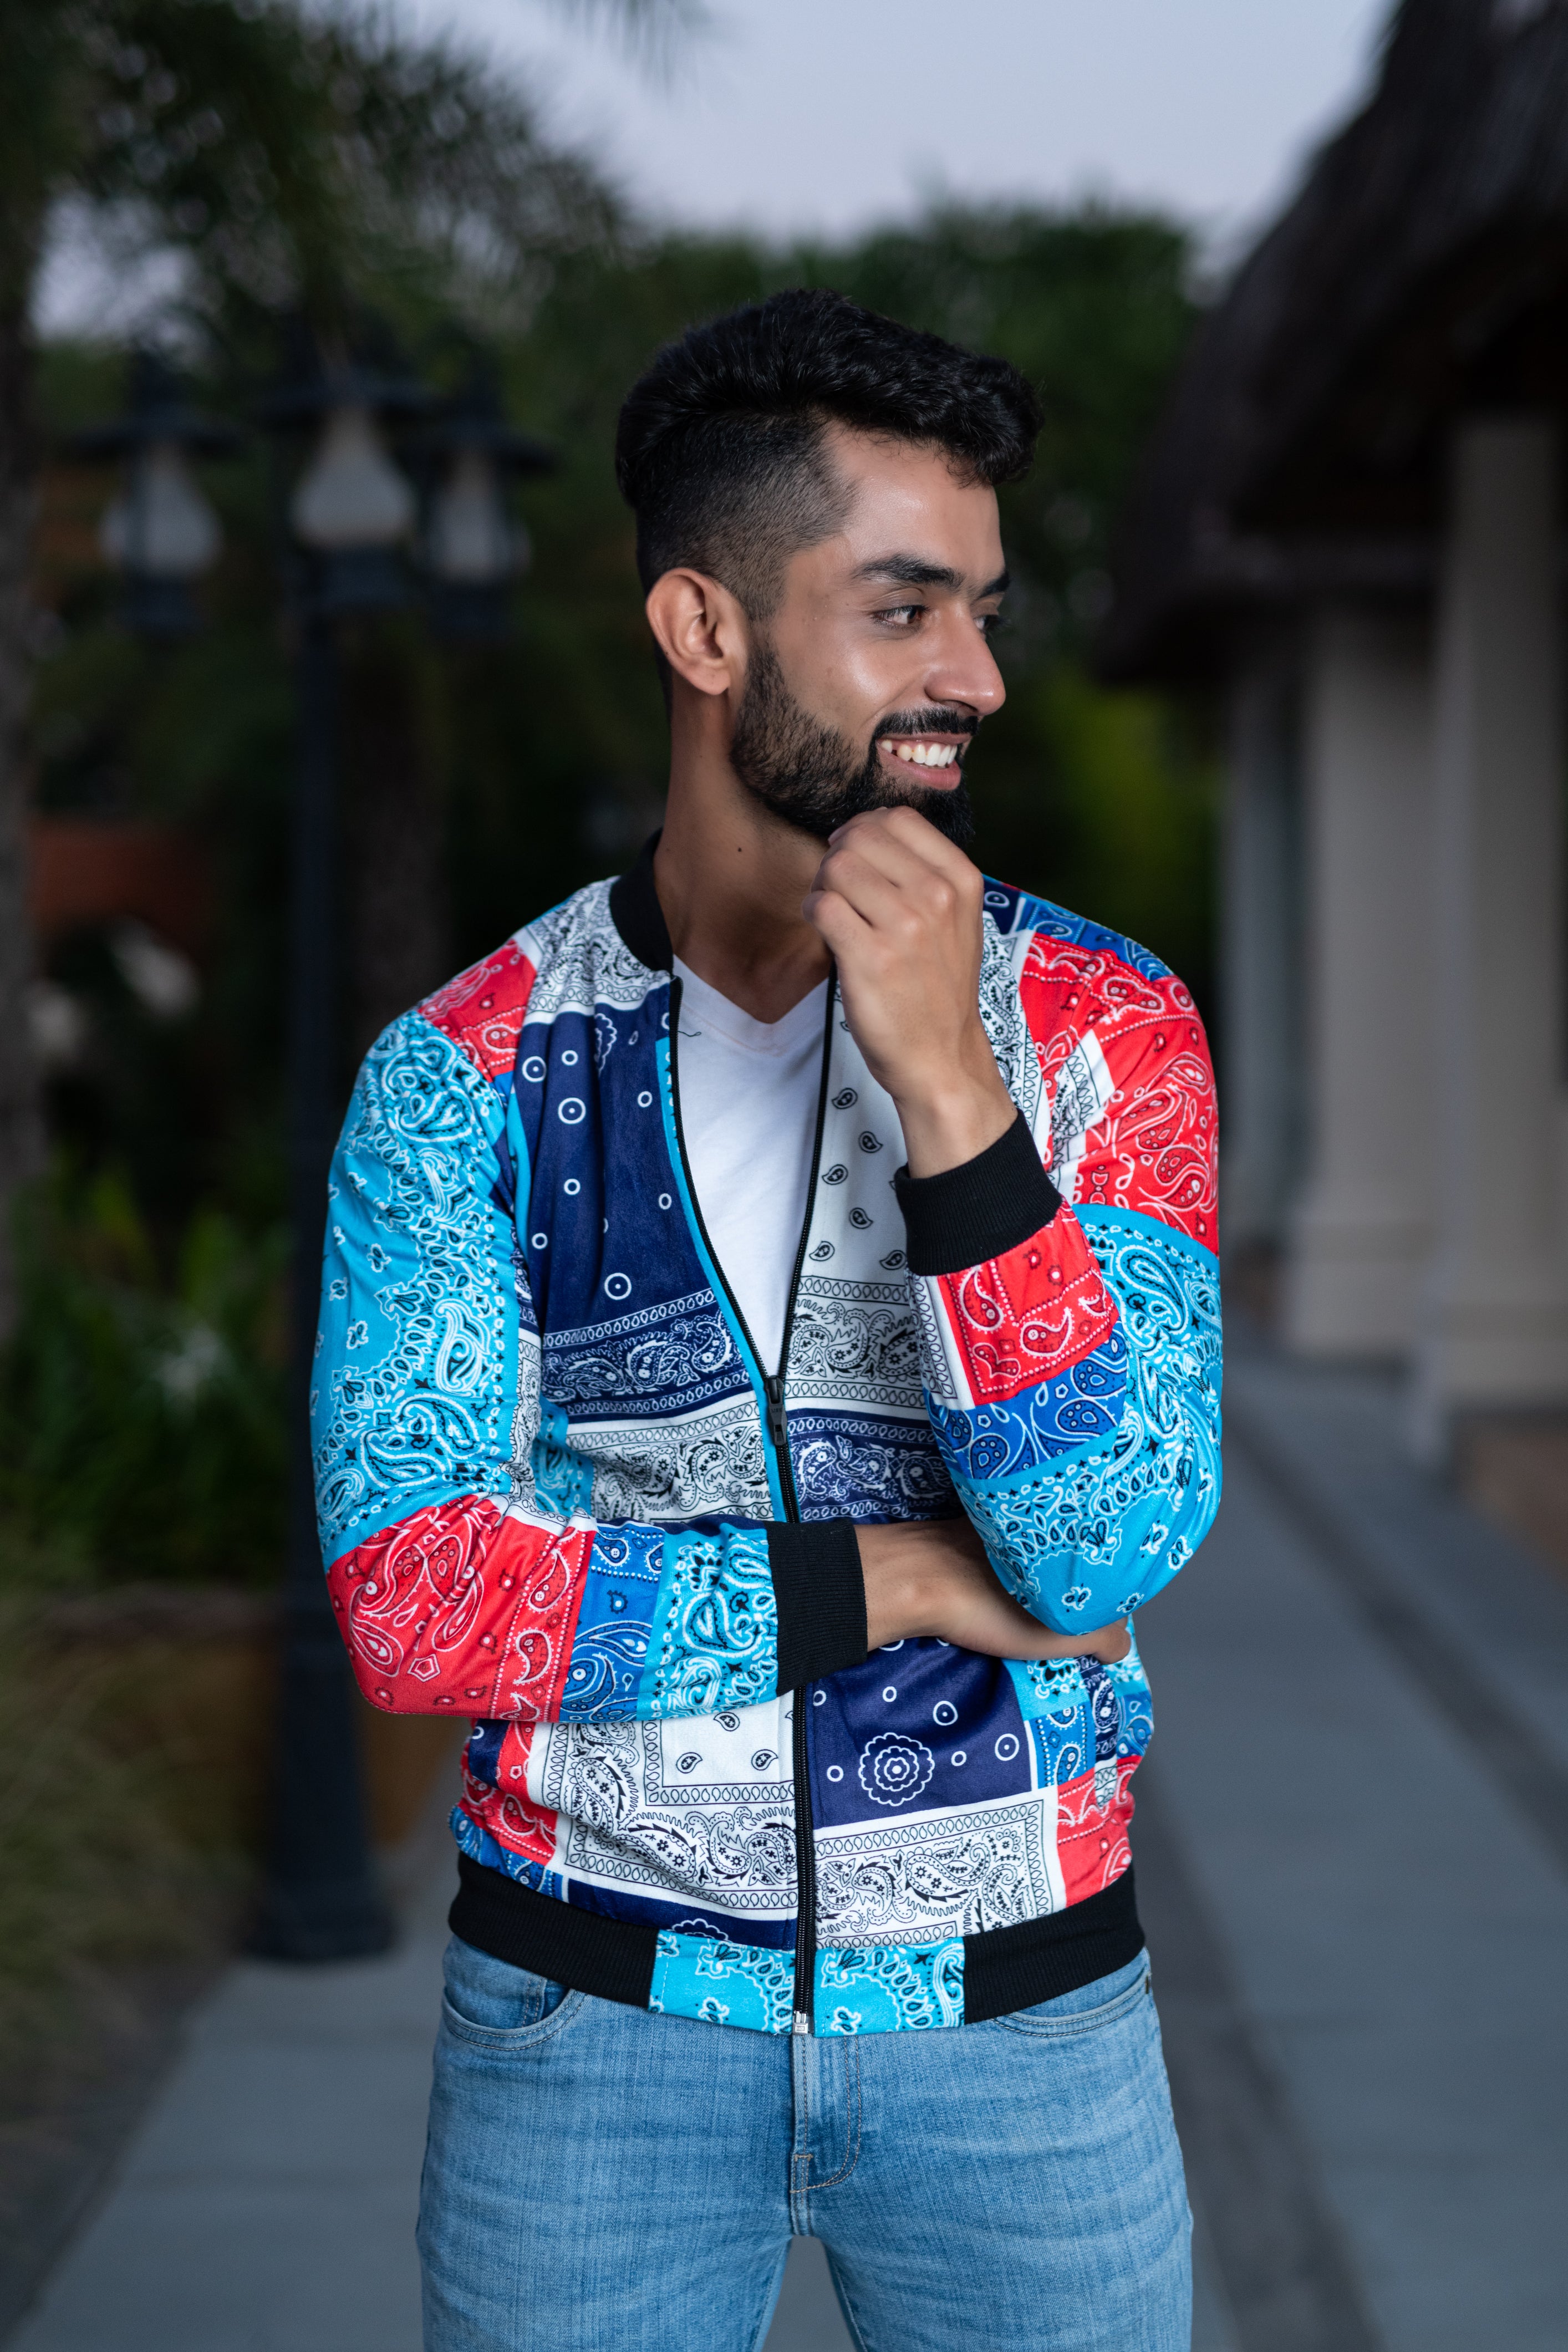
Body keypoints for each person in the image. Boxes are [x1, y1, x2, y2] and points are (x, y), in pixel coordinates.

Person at [314, 288, 1222, 2352]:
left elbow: (1105, 1546)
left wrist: (956, 1103)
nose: (975, 676)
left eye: (982, 610)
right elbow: (415, 1597)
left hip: (1026, 2032)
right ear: (704, 629)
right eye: (903, 609)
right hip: (590, 2029)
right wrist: (893, 1578)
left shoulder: (1103, 1033)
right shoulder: (464, 1073)